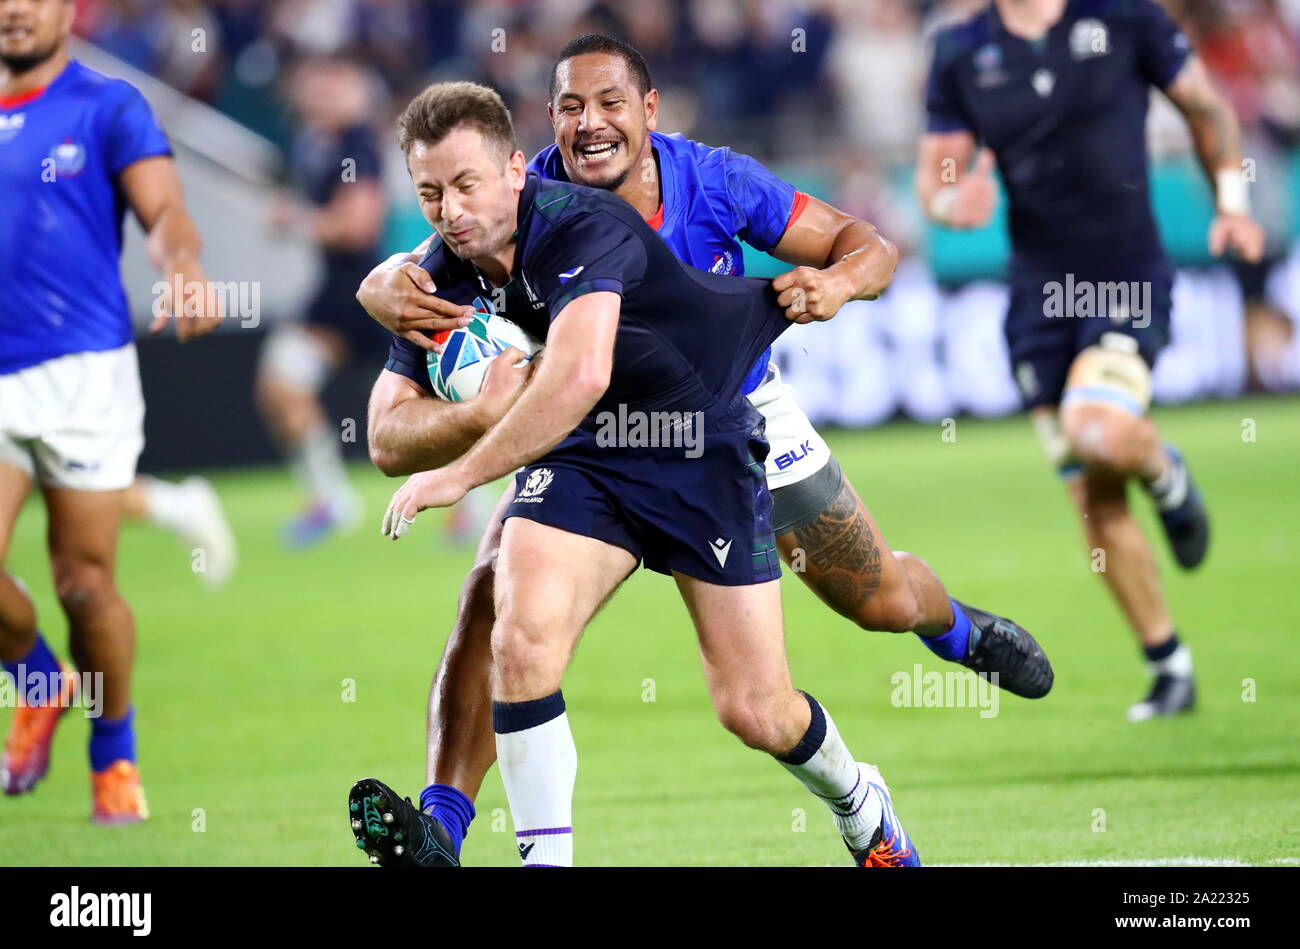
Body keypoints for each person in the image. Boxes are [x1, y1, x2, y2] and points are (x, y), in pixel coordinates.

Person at [354, 34, 1052, 865]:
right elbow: (467, 289)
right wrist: (388, 283)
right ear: (546, 127)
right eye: (571, 108)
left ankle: (953, 635)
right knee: (497, 604)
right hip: (583, 433)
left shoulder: (714, 181)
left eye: (611, 103)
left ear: (649, 112)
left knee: (872, 605)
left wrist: (834, 283)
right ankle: (445, 830)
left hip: (732, 417)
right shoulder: (504, 202)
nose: (591, 124)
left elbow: (869, 248)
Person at [915, 0, 1265, 720]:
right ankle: (1169, 665)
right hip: (1036, 299)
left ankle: (1166, 476)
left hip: (1126, 277)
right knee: (1092, 496)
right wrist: (956, 206)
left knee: (1098, 429)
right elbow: (935, 181)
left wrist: (1230, 202)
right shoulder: (960, 48)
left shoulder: (1127, 17)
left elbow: (1206, 107)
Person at [0, 0, 220, 820]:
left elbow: (164, 211)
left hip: (83, 375)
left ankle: (113, 757)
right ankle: (35, 678)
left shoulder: (107, 106)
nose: (16, 8)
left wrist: (184, 265)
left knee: (85, 587)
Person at [255, 52, 387, 548]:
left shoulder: (356, 145)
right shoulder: (318, 145)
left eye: (332, 85)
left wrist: (299, 220)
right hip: (341, 294)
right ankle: (331, 499)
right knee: (282, 384)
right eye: (314, 85)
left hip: (362, 294)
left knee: (282, 380)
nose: (319, 94)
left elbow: (358, 227)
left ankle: (333, 500)